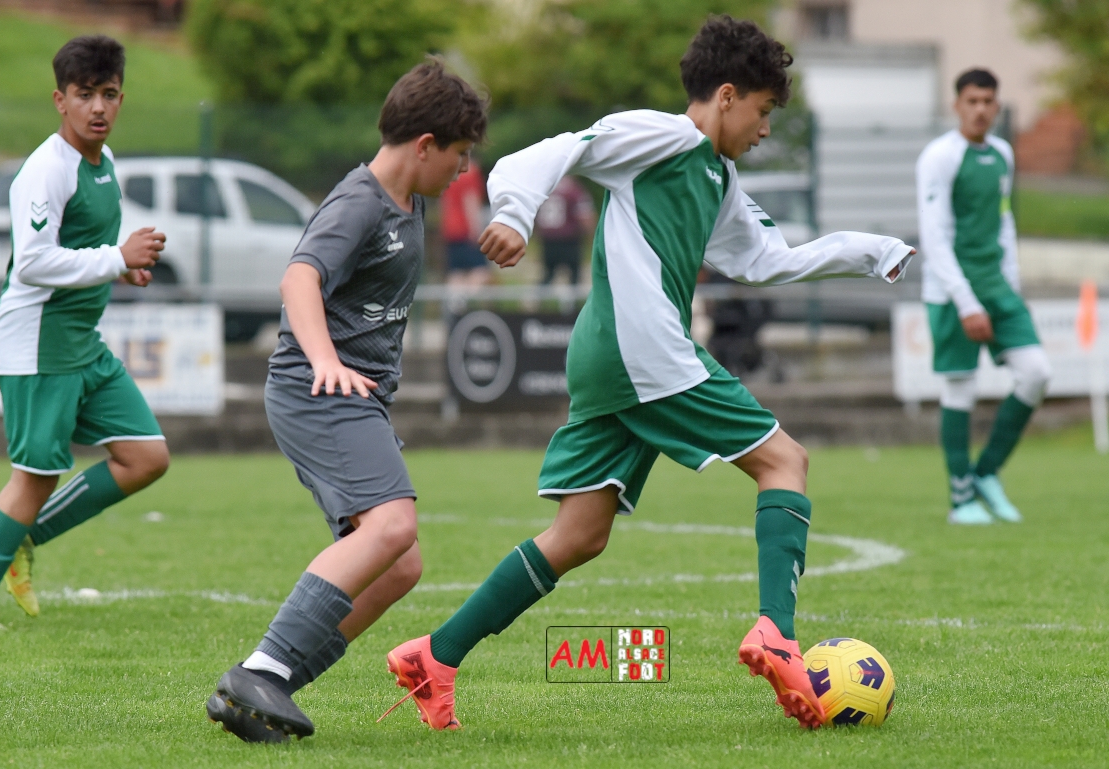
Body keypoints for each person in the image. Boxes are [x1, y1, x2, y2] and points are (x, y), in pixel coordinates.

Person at [383, 15, 914, 731]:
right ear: (726, 96)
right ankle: (777, 634)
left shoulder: (718, 177)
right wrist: (513, 213)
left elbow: (767, 260)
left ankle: (435, 656)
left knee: (579, 534)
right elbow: (547, 153)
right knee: (785, 461)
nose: (764, 130)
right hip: (645, 351)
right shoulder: (663, 136)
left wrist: (872, 251)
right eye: (762, 111)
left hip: (614, 356)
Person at [205, 59, 488, 743]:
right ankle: (261, 671)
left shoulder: (407, 199)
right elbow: (299, 278)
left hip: (355, 399)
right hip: (318, 390)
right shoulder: (359, 201)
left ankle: (263, 687)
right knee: (392, 526)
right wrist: (327, 361)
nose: (463, 170)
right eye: (458, 154)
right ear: (425, 145)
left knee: (399, 562)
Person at [0, 35, 170, 633]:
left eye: (109, 94)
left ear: (121, 99)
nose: (97, 107)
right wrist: (115, 256)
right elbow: (31, 263)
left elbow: (80, 250)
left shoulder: (104, 164)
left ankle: (23, 537)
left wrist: (122, 268)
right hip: (38, 343)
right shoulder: (46, 169)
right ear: (60, 100)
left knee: (146, 457)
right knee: (34, 478)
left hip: (82, 341)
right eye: (84, 94)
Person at [916, 69, 1051, 525]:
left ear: (997, 106)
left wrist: (1011, 284)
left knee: (1036, 373)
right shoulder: (940, 157)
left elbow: (1004, 220)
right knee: (960, 387)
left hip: (997, 285)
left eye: (987, 101)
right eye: (971, 101)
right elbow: (934, 236)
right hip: (953, 289)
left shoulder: (1002, 154)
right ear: (957, 105)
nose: (980, 109)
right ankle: (961, 501)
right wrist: (966, 301)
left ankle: (987, 472)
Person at [536, 175, 595, 285]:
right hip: (569, 238)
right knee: (574, 275)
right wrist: (591, 236)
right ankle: (573, 296)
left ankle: (539, 295)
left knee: (548, 275)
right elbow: (584, 215)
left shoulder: (547, 188)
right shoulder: (574, 190)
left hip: (548, 238)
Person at [441, 159, 491, 285]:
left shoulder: (450, 172)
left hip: (451, 230)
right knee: (480, 272)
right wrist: (477, 230)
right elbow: (470, 201)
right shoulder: (470, 173)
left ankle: (455, 298)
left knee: (456, 272)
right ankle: (469, 297)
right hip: (466, 230)